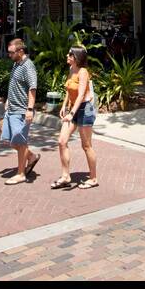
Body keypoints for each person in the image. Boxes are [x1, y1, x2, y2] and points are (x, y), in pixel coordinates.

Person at [52, 45, 99, 189]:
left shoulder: (83, 72)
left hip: (85, 109)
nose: (67, 56)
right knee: (62, 141)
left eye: (70, 54)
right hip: (73, 108)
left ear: (76, 57)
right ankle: (66, 176)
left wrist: (72, 113)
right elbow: (68, 89)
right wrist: (64, 106)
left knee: (86, 146)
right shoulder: (71, 69)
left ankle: (93, 178)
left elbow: (81, 95)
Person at [0, 38, 41, 184]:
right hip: (12, 108)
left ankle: (21, 173)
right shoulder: (16, 64)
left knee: (20, 142)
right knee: (12, 141)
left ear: (20, 51)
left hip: (21, 110)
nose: (9, 55)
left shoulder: (28, 66)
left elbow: (32, 88)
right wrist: (8, 101)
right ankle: (31, 157)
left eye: (11, 52)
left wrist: (29, 109)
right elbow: (15, 84)